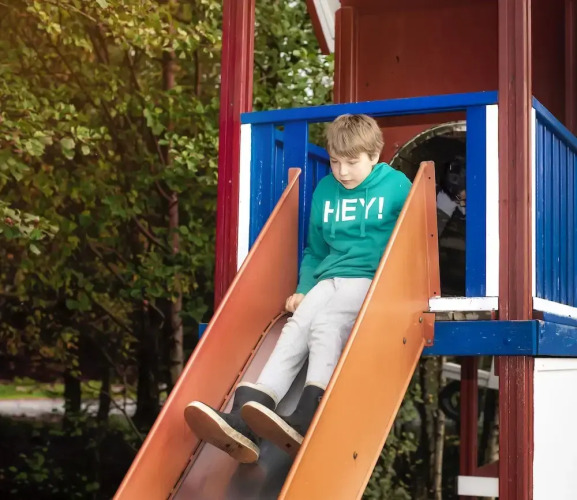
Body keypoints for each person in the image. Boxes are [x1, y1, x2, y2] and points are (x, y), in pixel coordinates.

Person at [184, 114, 412, 463]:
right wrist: (304, 289)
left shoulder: (396, 186)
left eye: (352, 163)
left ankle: (308, 415)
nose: (342, 172)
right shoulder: (326, 190)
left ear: (374, 156)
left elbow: (414, 236)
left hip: (371, 279)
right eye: (335, 162)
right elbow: (315, 251)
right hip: (329, 277)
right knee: (297, 327)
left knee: (326, 325)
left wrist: (401, 289)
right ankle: (247, 415)